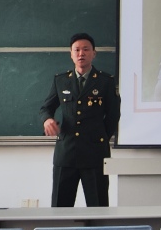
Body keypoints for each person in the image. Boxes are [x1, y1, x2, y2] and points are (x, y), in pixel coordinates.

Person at [40, 32, 120, 207]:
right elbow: (46, 108)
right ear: (71, 54)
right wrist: (47, 120)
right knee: (60, 208)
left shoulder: (105, 81)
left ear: (94, 53)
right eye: (76, 50)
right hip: (66, 153)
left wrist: (99, 137)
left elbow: (113, 115)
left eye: (86, 49)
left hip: (95, 153)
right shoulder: (61, 80)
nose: (81, 53)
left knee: (98, 207)